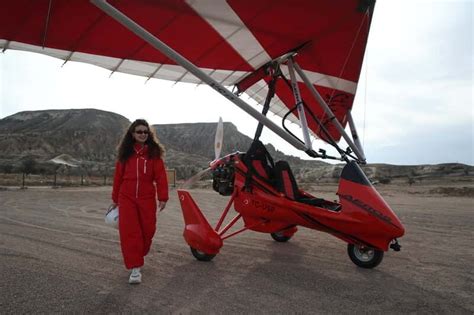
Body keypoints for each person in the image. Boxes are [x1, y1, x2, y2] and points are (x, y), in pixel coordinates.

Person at [110, 119, 169, 284]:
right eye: (139, 132)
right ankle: (135, 268)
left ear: (149, 134)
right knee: (130, 232)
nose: (142, 134)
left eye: (145, 132)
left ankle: (138, 253)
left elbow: (161, 177)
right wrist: (115, 199)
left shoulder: (154, 154)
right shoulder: (125, 154)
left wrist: (163, 197)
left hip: (147, 197)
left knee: (148, 230)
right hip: (126, 197)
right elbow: (118, 178)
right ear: (132, 134)